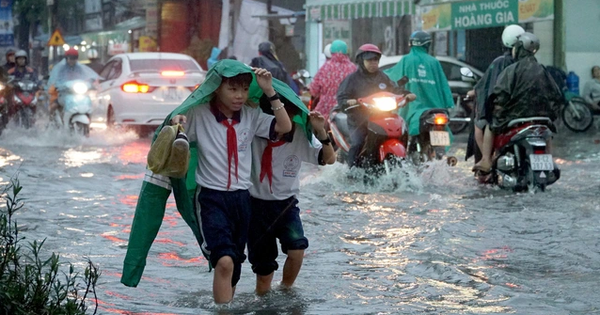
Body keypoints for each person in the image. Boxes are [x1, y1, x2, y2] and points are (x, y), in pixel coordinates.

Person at [167, 60, 292, 304]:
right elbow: (176, 132)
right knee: (223, 261)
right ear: (216, 87)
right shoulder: (198, 114)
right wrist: (176, 125)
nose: (239, 96)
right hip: (211, 198)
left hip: (242, 199)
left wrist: (269, 91)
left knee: (234, 265)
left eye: (244, 89)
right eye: (232, 89)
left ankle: (225, 305)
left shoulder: (251, 114)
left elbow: (284, 127)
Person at [248, 97, 336, 295]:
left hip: (286, 205)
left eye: (291, 113)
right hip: (255, 206)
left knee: (297, 250)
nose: (286, 119)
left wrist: (321, 132)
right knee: (263, 270)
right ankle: (264, 302)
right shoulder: (253, 132)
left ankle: (286, 290)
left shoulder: (299, 136)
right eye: (279, 113)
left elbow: (329, 159)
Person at [473, 32, 563, 174]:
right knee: (547, 133)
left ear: (519, 48)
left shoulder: (511, 70)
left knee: (490, 125)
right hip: (541, 117)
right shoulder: (543, 70)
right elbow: (557, 95)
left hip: (515, 117)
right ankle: (549, 159)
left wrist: (495, 106)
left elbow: (500, 94)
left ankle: (486, 160)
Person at [336, 43, 414, 168]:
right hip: (359, 119)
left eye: (375, 60)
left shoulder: (382, 77)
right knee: (358, 143)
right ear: (361, 61)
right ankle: (351, 172)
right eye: (369, 60)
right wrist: (348, 101)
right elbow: (342, 97)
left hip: (381, 118)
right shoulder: (352, 79)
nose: (373, 63)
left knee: (401, 132)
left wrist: (407, 94)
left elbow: (394, 89)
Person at [467, 24, 525, 162]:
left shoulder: (500, 62)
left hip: (505, 112)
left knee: (480, 125)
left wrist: (475, 91)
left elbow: (487, 86)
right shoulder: (529, 64)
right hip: (526, 111)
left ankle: (487, 160)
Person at [384, 30, 454, 141]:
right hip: (435, 107)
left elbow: (392, 76)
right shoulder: (433, 62)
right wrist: (448, 102)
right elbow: (443, 85)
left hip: (412, 107)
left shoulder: (407, 60)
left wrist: (375, 79)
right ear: (427, 45)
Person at [309, 40, 356, 121]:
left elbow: (314, 90)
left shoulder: (325, 68)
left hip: (325, 110)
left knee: (315, 125)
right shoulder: (353, 68)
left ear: (331, 52)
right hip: (347, 110)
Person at [47, 48, 99, 115]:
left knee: (89, 104)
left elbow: (86, 78)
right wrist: (59, 85)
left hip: (78, 94)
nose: (72, 60)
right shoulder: (61, 69)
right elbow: (57, 80)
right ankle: (51, 121)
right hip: (64, 94)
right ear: (66, 58)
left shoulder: (80, 68)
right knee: (54, 106)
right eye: (70, 58)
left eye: (74, 58)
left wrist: (90, 84)